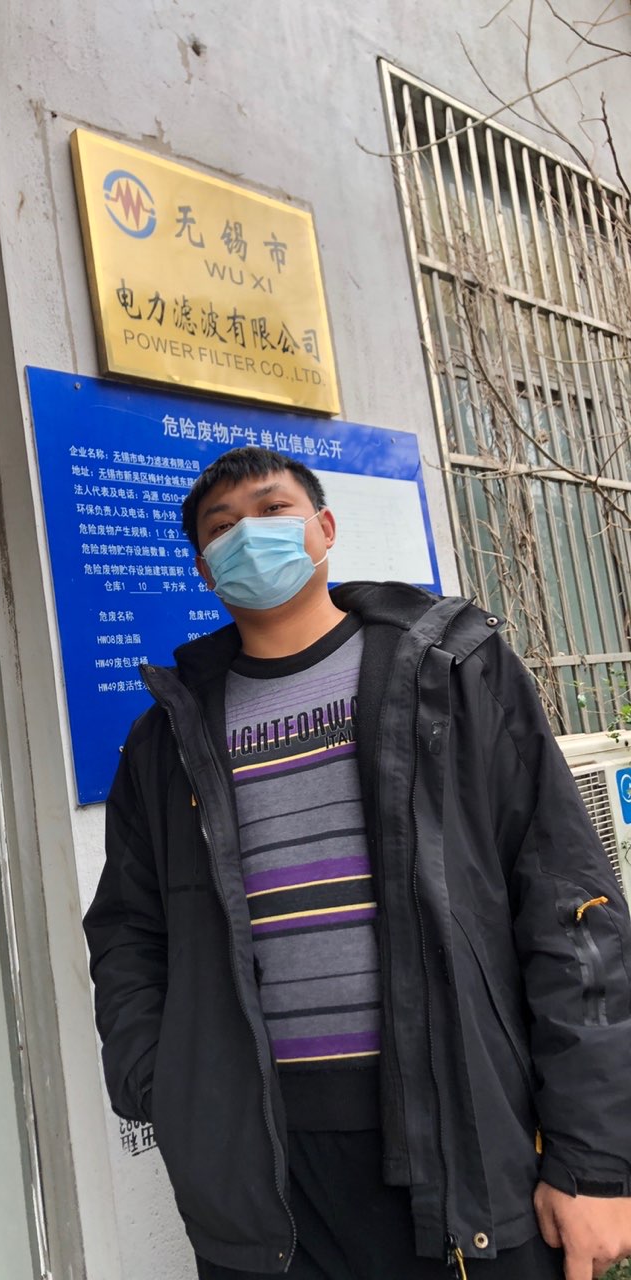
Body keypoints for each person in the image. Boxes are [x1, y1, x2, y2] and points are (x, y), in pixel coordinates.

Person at [83, 446, 631, 1280]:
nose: (249, 536)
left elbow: (567, 904)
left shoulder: (451, 675)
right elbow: (129, 929)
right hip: (262, 1168)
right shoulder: (167, 737)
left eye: (273, 511)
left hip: (464, 1141)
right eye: (222, 528)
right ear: (202, 568)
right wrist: (164, 1083)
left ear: (325, 528)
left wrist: (592, 1159)